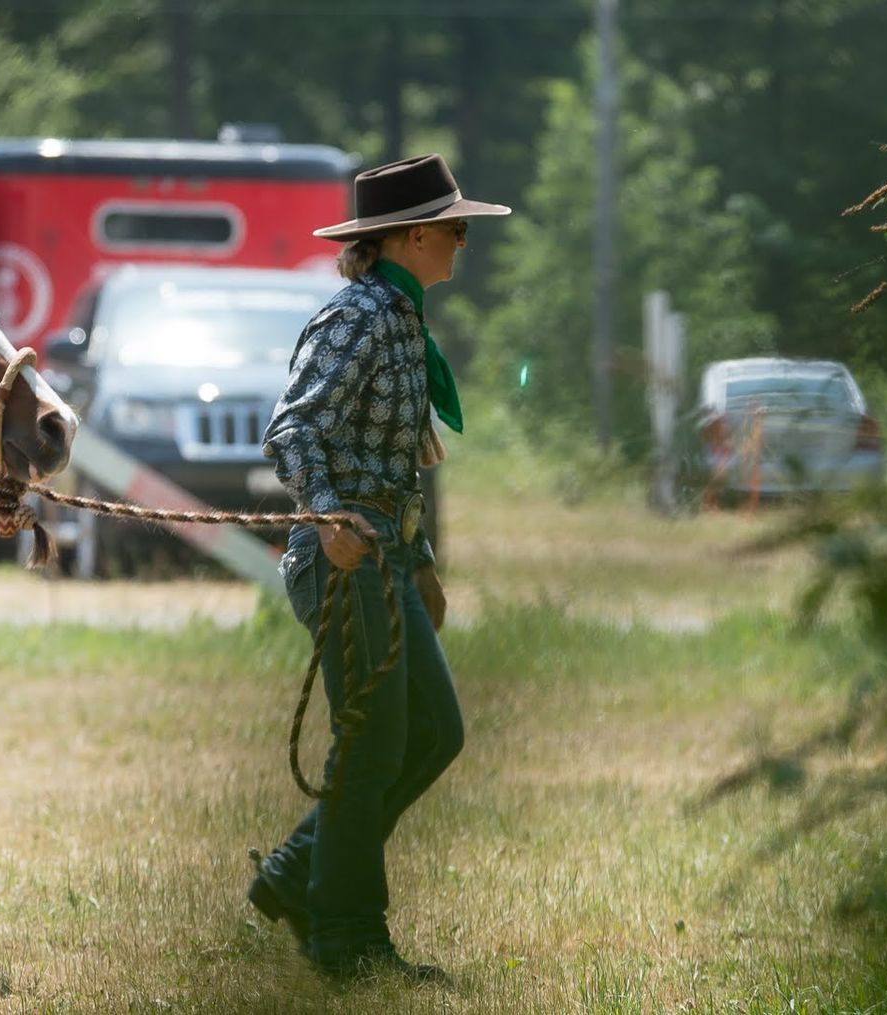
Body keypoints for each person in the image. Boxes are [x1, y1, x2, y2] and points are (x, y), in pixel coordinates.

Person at [250, 153, 507, 980]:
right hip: (341, 563)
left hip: (389, 561)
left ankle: (297, 874)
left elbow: (396, 462)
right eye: (457, 228)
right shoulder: (356, 318)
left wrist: (420, 559)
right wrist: (326, 514)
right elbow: (292, 429)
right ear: (413, 234)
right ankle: (348, 937)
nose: (464, 243)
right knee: (371, 743)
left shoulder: (403, 321)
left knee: (434, 731)